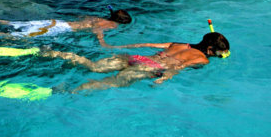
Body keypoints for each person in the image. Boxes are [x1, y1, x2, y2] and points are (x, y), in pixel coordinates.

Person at [39, 32, 230, 92]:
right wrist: (164, 78)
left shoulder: (178, 44)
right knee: (110, 82)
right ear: (211, 50)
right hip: (151, 68)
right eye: (220, 54)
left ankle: (54, 53)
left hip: (139, 59)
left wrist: (118, 48)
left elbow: (146, 44)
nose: (220, 57)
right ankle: (67, 91)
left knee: (93, 66)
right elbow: (179, 66)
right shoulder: (202, 59)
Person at [0, 7, 132, 46]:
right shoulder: (110, 25)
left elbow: (83, 19)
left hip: (56, 21)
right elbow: (97, 29)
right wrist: (103, 43)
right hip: (59, 29)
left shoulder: (96, 17)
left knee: (15, 24)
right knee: (22, 36)